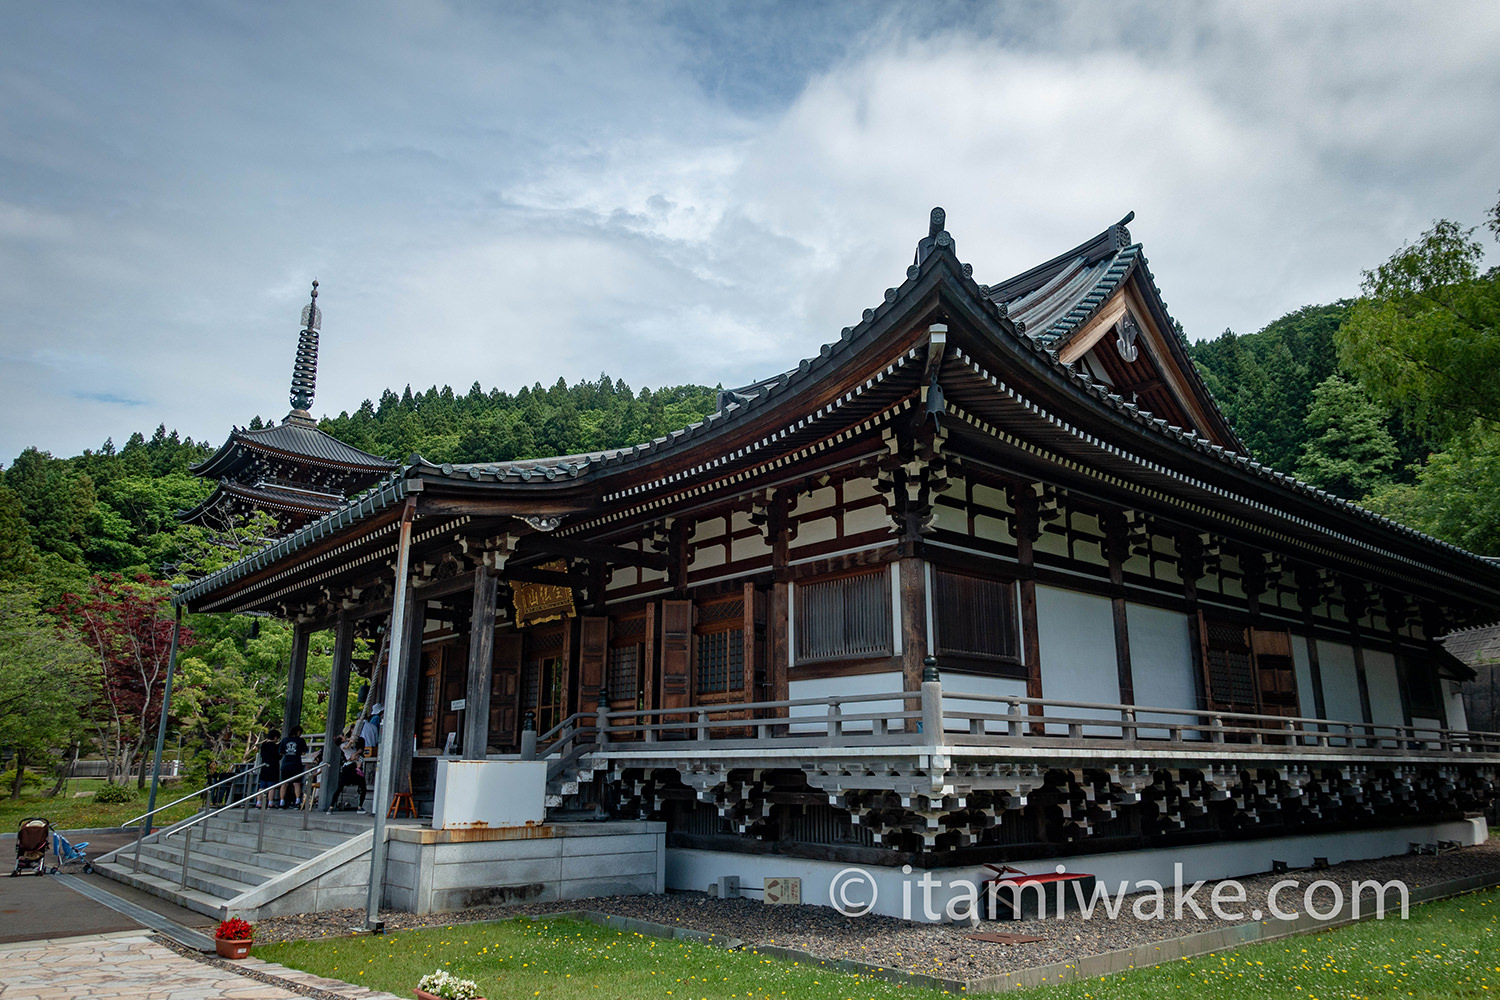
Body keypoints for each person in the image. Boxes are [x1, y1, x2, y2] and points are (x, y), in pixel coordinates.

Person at [326, 735, 368, 814]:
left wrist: (355, 753)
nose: (344, 736)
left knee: (343, 787)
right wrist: (350, 742)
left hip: (352, 765)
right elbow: (346, 747)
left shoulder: (353, 742)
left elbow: (360, 747)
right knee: (343, 787)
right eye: (342, 737)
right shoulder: (343, 745)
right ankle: (359, 807)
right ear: (341, 740)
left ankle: (331, 807)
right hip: (350, 766)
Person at [278, 726, 309, 809]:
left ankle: (282, 801)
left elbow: (281, 752)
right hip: (296, 763)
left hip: (286, 763)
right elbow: (304, 752)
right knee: (296, 783)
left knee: (284, 783)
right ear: (298, 732)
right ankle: (297, 801)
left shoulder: (285, 740)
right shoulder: (300, 741)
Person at [255, 732, 280, 808]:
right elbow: (278, 756)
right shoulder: (275, 746)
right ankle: (270, 802)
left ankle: (258, 802)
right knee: (271, 786)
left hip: (264, 766)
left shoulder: (264, 745)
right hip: (273, 767)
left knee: (262, 786)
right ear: (275, 737)